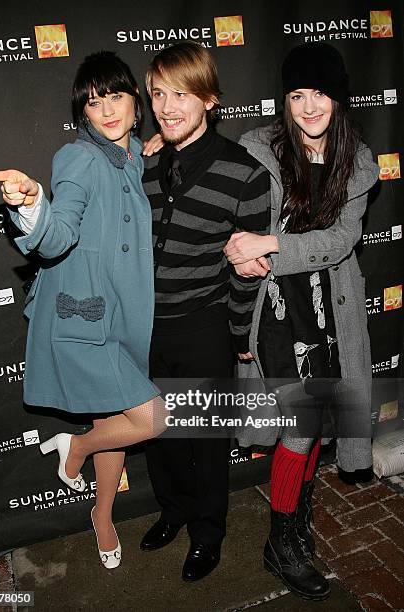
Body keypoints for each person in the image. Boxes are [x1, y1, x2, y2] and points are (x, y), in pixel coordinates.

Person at [0, 51, 166, 570]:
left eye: (116, 96)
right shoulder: (79, 159)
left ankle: (101, 516)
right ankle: (77, 448)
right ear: (82, 112)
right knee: (150, 419)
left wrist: (149, 144)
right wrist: (31, 204)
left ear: (136, 102)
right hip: (84, 318)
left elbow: (142, 152)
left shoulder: (133, 152)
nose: (106, 110)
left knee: (115, 418)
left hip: (120, 315)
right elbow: (56, 234)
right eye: (93, 101)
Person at [224, 43, 378, 600]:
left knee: (314, 420)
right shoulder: (255, 151)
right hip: (274, 306)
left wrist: (272, 241)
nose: (309, 107)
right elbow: (225, 215)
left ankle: (294, 520)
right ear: (284, 101)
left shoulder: (357, 161)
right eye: (297, 95)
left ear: (338, 98)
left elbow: (342, 239)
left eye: (320, 94)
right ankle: (281, 542)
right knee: (302, 421)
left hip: (329, 304)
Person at [139, 42, 271, 582]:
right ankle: (172, 511)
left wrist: (239, 335)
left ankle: (208, 532)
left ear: (210, 99)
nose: (168, 108)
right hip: (143, 329)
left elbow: (246, 268)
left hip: (203, 326)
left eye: (183, 94)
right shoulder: (140, 164)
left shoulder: (245, 174)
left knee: (207, 440)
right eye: (158, 95)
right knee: (159, 433)